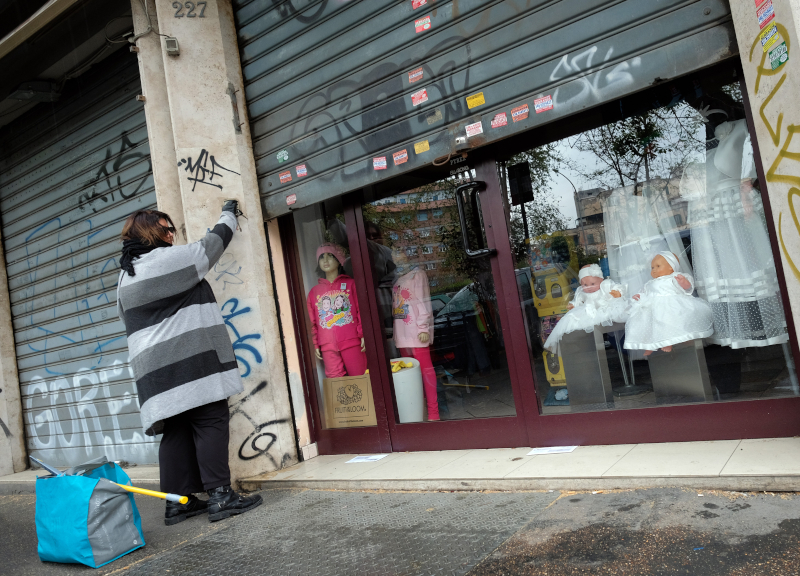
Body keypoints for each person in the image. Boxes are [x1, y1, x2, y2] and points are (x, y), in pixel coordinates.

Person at [116, 200, 262, 525]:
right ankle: (221, 497)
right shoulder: (165, 260)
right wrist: (228, 214)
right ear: (156, 233)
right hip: (187, 360)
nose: (173, 236)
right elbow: (209, 247)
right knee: (210, 419)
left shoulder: (126, 277)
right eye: (169, 230)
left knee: (178, 429)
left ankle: (178, 503)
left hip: (153, 371)